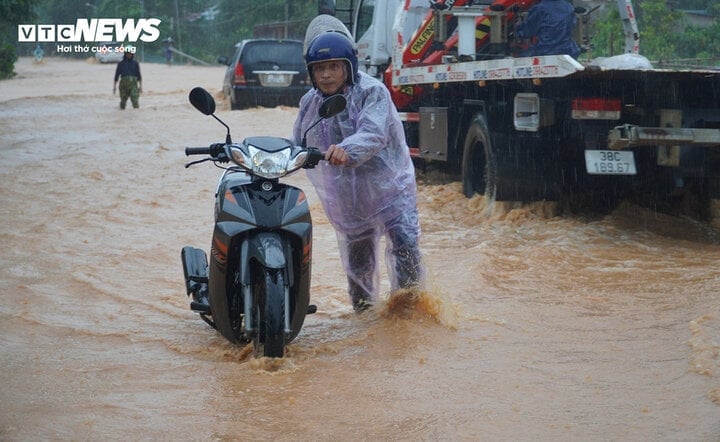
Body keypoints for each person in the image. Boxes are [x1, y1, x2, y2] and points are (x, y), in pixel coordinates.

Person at [292, 22, 425, 313]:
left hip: (390, 186)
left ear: (347, 67)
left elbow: (374, 133)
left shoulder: (372, 92)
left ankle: (409, 313)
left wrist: (347, 150)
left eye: (332, 67)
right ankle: (363, 318)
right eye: (318, 69)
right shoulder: (310, 103)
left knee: (404, 244)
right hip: (349, 194)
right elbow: (298, 143)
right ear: (311, 73)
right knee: (358, 259)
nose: (325, 75)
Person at [515, 0, 581, 59]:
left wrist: (517, 27)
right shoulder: (569, 7)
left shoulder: (540, 9)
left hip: (545, 51)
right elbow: (572, 25)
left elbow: (527, 32)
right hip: (568, 51)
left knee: (520, 56)